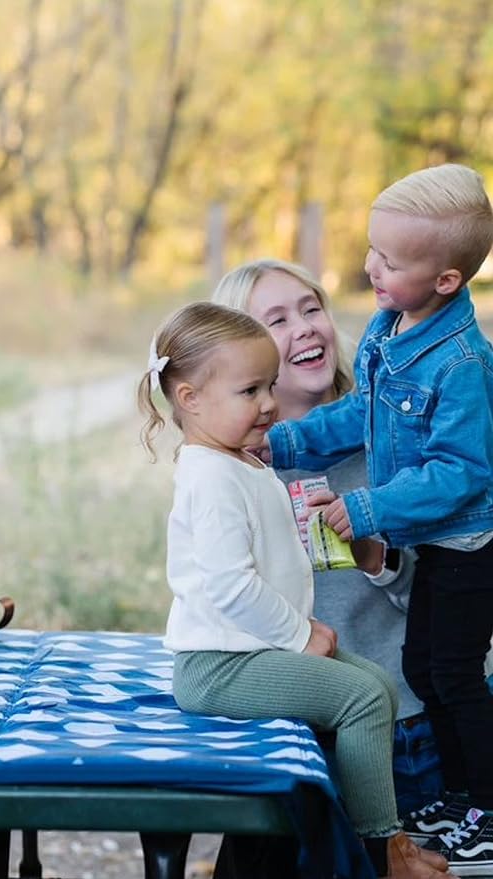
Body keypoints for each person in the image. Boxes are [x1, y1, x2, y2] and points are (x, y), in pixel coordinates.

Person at [137, 300, 453, 879]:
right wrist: (299, 632)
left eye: (270, 387)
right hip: (218, 666)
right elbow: (230, 586)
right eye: (250, 391)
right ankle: (384, 849)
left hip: (247, 652)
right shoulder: (210, 476)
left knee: (377, 686)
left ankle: (386, 840)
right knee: (359, 699)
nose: (268, 404)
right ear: (190, 399)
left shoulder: (237, 462)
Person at [265, 163, 493, 876]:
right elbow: (357, 415)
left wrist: (363, 510)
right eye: (372, 249)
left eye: (389, 261)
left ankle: (483, 805)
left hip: (465, 541)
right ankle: (460, 797)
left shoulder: (460, 363)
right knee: (431, 665)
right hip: (425, 545)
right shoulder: (389, 326)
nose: (370, 267)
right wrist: (286, 442)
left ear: (447, 280)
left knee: (452, 671)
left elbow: (464, 471)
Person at [213, 258, 442, 816]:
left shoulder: (394, 438)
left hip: (406, 728)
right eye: (277, 320)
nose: (305, 327)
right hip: (290, 731)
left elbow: (458, 598)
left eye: (311, 308)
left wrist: (373, 554)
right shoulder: (229, 468)